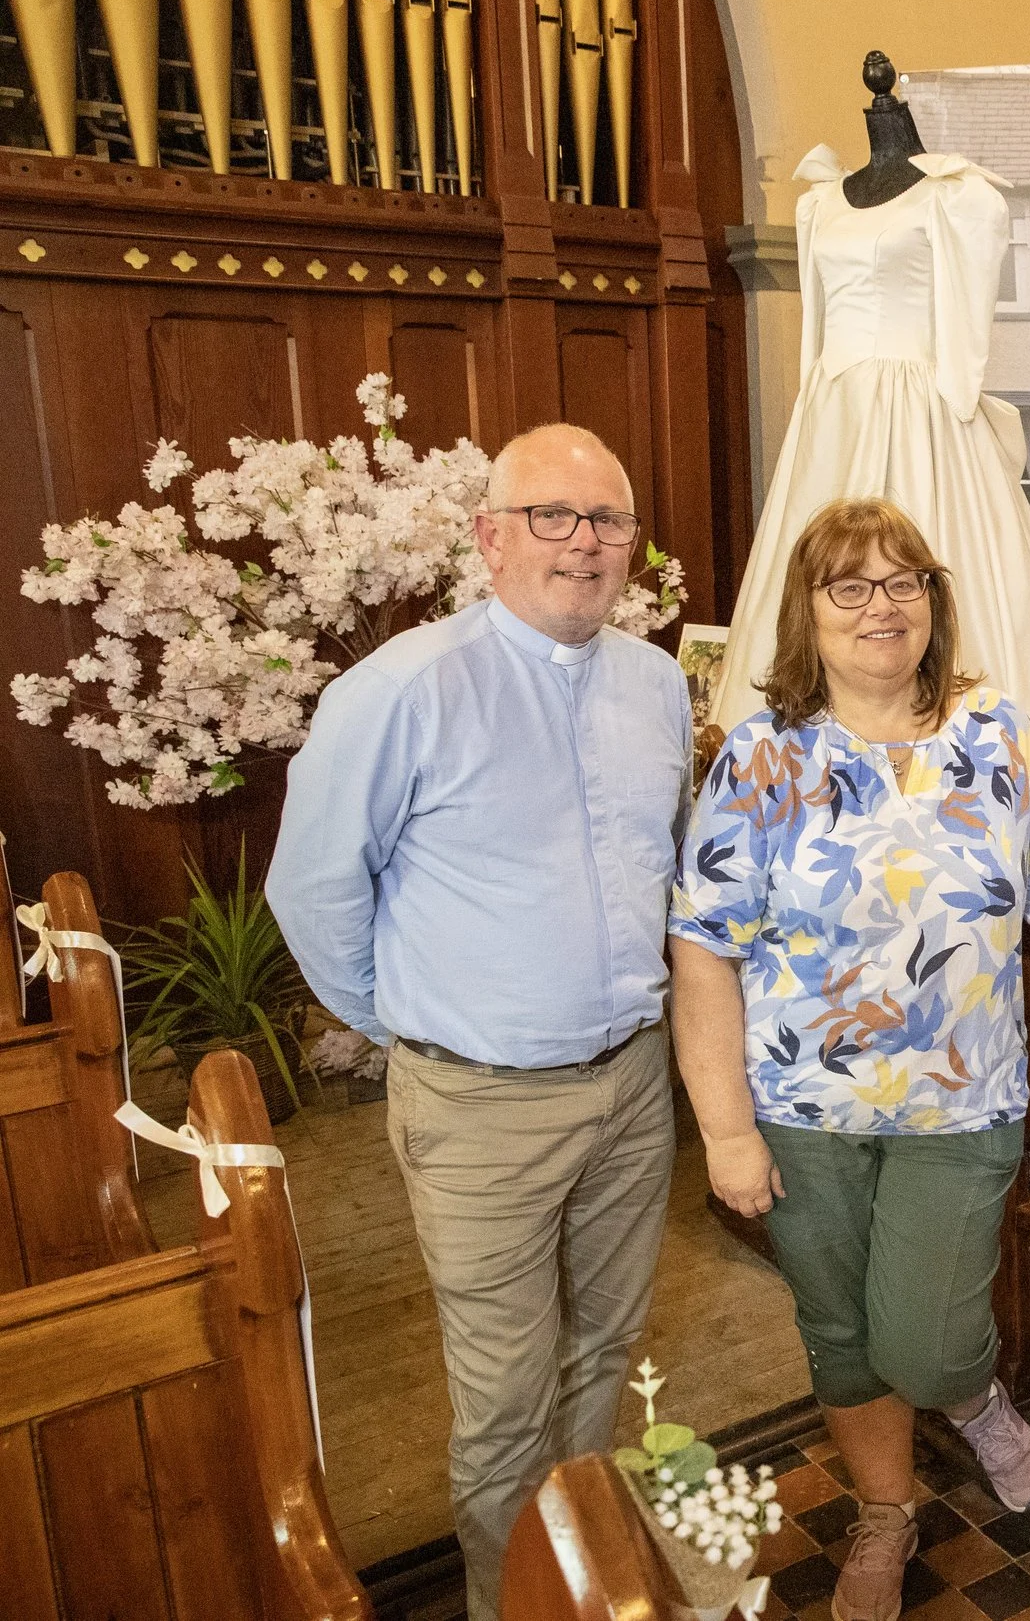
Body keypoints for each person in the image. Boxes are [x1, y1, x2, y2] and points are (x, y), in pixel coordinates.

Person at [668, 498, 1030, 1621]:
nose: (880, 605)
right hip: (800, 1106)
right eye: (848, 584)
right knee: (841, 1330)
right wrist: (724, 1129)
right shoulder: (763, 755)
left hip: (962, 1102)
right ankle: (886, 1512)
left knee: (928, 1336)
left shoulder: (997, 734)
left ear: (934, 601)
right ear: (809, 610)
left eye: (904, 580)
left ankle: (974, 1395)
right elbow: (703, 948)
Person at [268, 424, 688, 1618]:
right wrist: (409, 1019)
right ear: (489, 537)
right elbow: (311, 888)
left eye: (608, 519)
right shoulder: (399, 688)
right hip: (478, 1103)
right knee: (504, 1395)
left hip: (632, 1082)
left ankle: (584, 1570)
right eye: (552, 515)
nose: (585, 542)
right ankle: (510, 1600)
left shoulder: (656, 682)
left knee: (604, 1350)